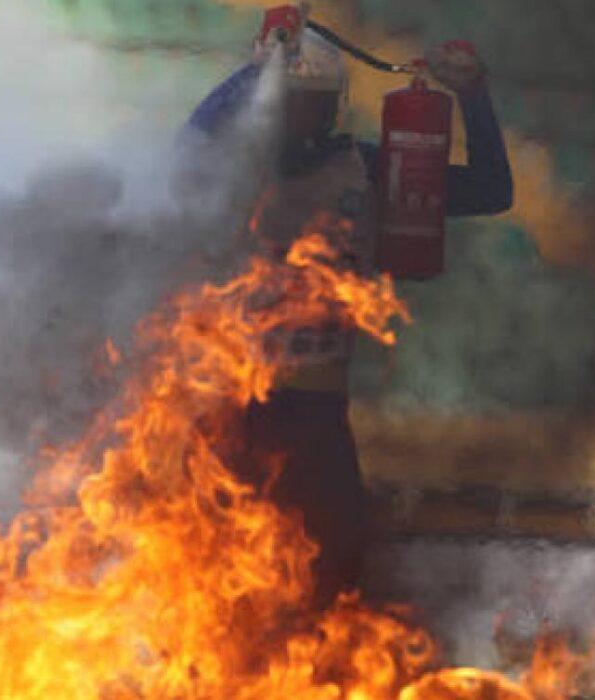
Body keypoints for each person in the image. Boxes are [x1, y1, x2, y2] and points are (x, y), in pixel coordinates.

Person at [184, 5, 513, 607]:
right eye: (290, 99)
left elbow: (491, 190)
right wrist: (265, 65)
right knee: (207, 566)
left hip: (317, 411)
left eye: (314, 102)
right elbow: (192, 139)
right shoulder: (220, 169)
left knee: (338, 567)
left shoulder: (365, 170)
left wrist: (472, 95)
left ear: (333, 106)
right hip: (229, 408)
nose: (300, 117)